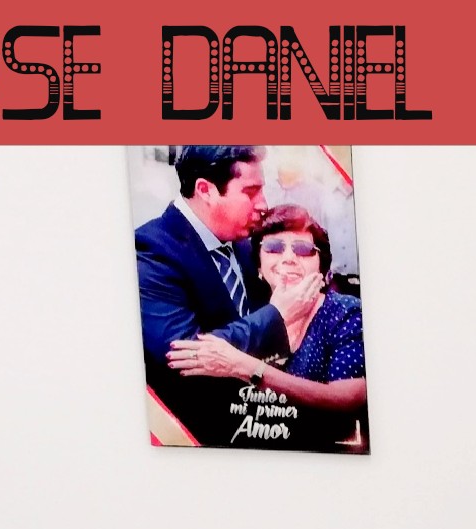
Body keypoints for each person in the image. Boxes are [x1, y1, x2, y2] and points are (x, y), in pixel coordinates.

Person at [134, 147, 317, 447]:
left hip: (267, 422)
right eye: (251, 192)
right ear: (205, 190)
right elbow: (185, 356)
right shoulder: (151, 251)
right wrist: (277, 316)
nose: (263, 204)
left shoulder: (243, 242)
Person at [165, 205, 368, 453]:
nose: (288, 258)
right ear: (259, 268)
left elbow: (347, 400)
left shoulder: (346, 311)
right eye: (273, 248)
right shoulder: (251, 313)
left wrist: (246, 367)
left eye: (303, 250)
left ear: (322, 267)